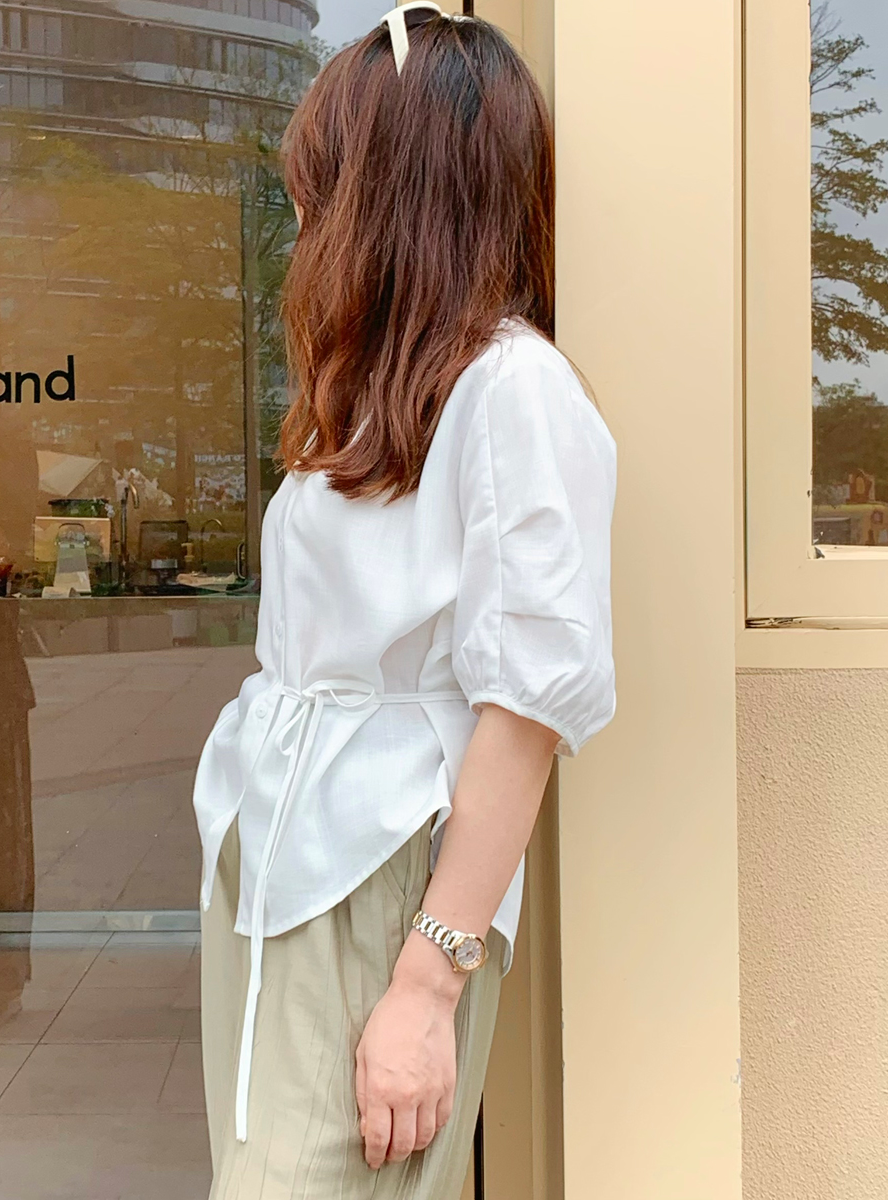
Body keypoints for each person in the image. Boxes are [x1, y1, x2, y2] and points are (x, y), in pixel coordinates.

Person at [192, 5, 616, 1197]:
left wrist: (428, 986)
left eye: (323, 179)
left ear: (389, 191)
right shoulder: (382, 394)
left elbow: (528, 705)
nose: (303, 212)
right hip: (280, 856)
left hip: (381, 867)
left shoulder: (514, 390)